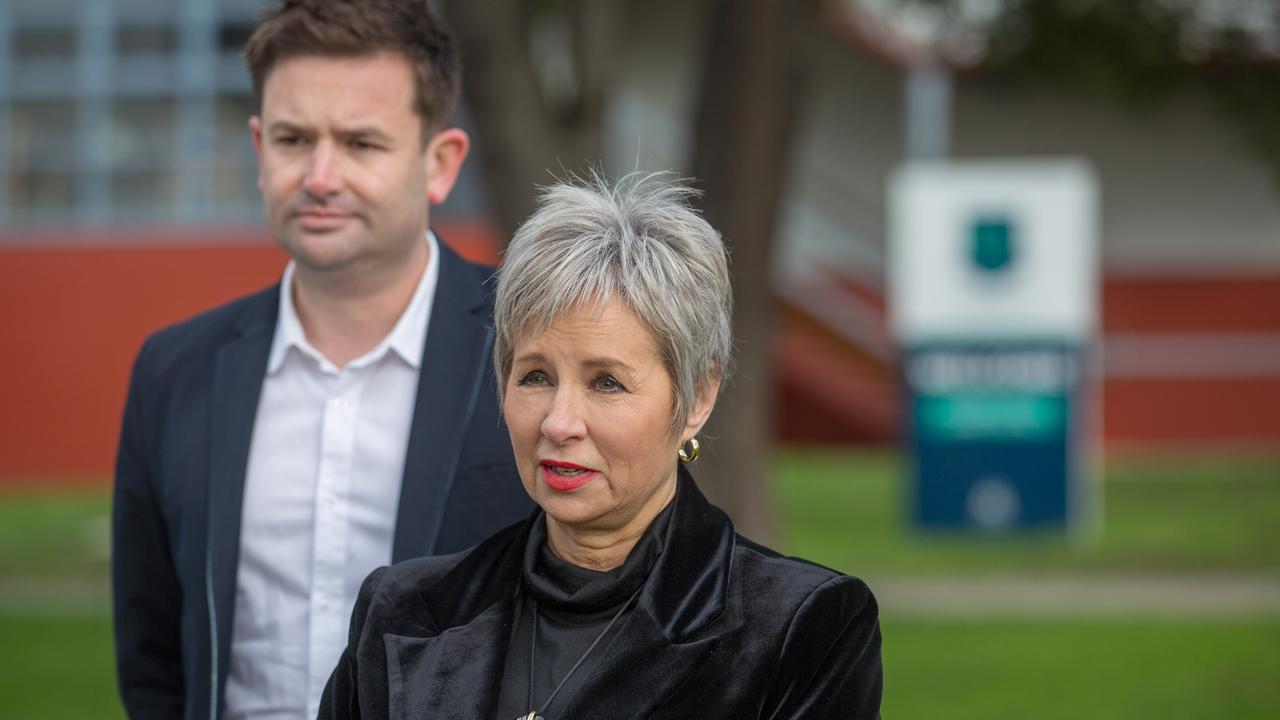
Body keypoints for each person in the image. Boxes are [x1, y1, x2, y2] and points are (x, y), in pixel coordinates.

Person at [317, 172, 883, 720]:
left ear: (697, 398)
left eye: (606, 382)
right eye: (535, 376)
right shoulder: (400, 611)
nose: (559, 423)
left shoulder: (802, 627)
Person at [111, 1, 533, 718]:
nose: (320, 175)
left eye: (362, 143)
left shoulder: (535, 350)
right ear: (258, 149)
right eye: (293, 139)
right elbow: (154, 655)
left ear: (441, 163)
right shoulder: (174, 371)